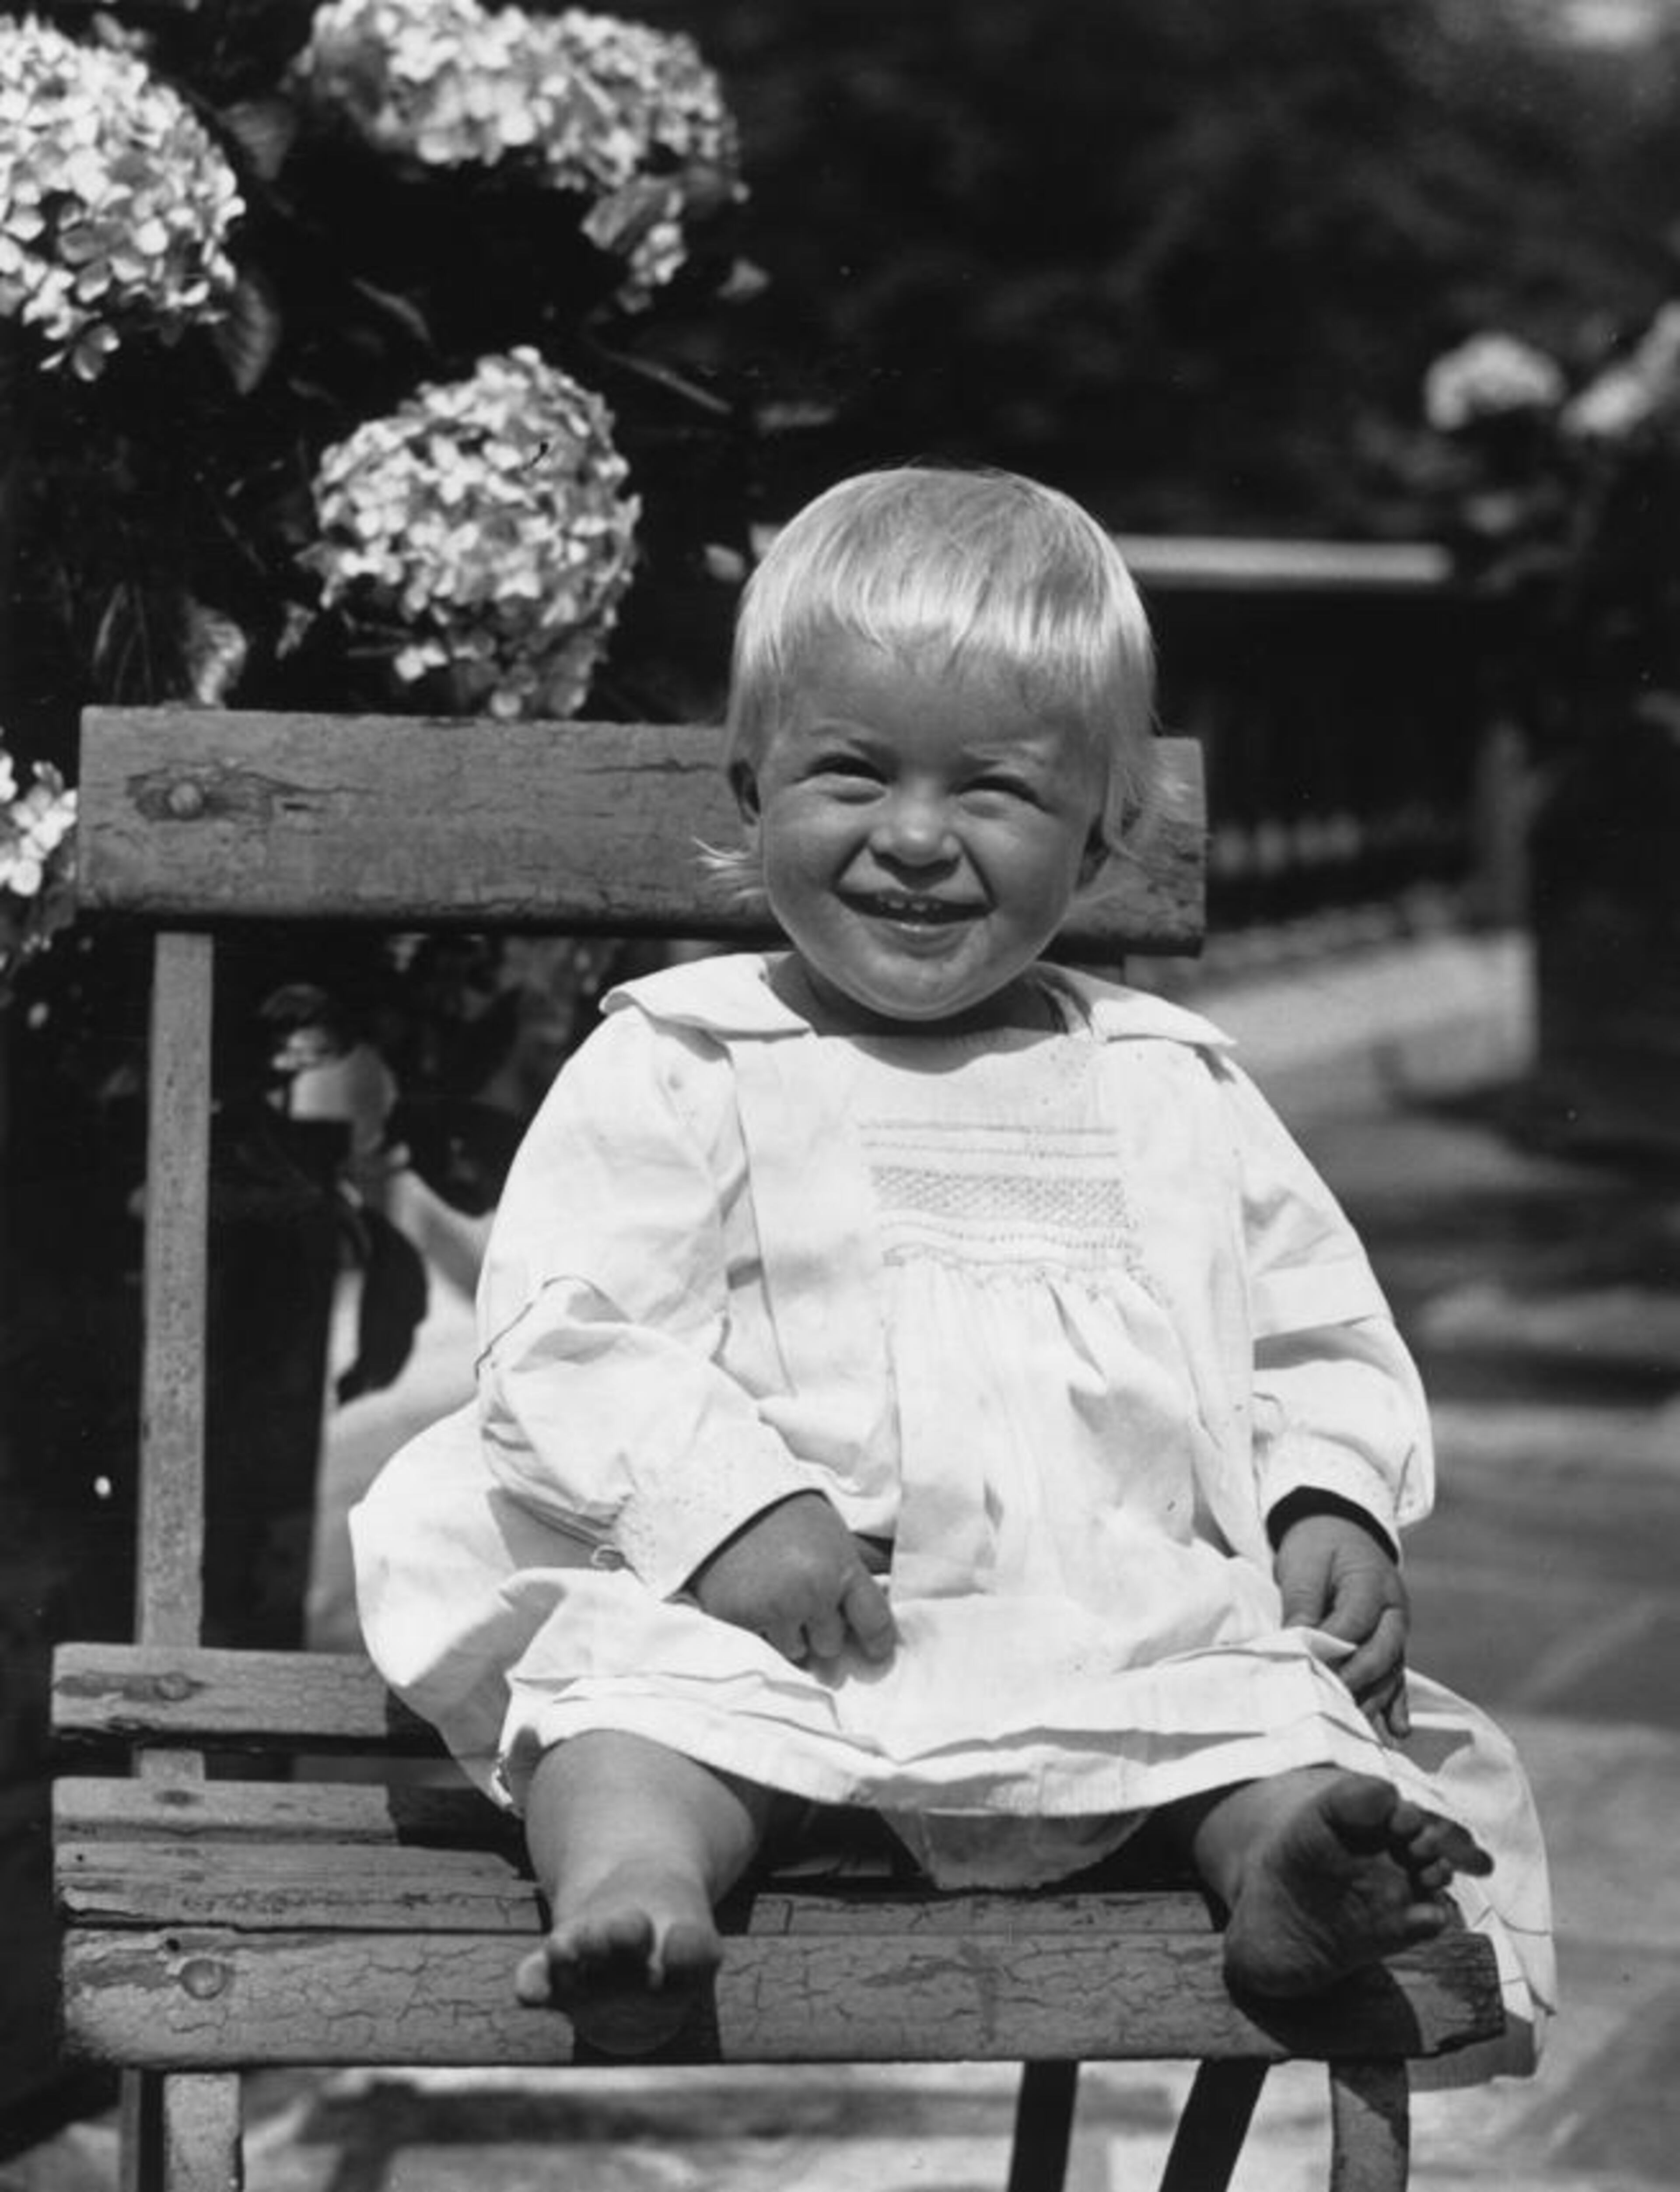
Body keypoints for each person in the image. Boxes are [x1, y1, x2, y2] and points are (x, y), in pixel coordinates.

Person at [351, 464, 1554, 2071]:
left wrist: (1323, 1493)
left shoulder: (1167, 1081)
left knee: (1262, 1718)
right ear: (751, 778)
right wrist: (724, 1506)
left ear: (1106, 825)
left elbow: (1311, 1329)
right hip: (777, 1634)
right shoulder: (690, 1059)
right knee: (627, 1706)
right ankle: (636, 1884)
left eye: (992, 791)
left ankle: (1283, 1866)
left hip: (1114, 1627)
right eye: (851, 772)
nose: (913, 839)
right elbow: (568, 1331)